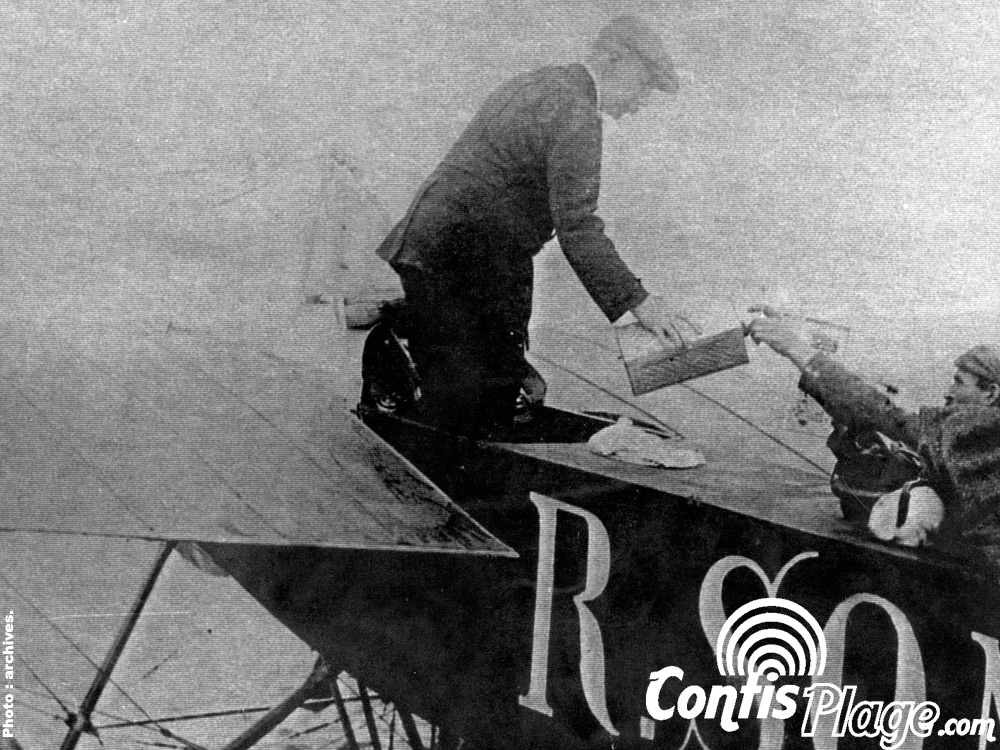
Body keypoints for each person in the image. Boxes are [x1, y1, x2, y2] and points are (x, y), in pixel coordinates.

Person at [369, 15, 701, 434]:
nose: (638, 104)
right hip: (465, 262)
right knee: (474, 417)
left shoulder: (539, 83)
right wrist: (640, 302)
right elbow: (577, 227)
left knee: (487, 385)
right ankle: (412, 368)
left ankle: (416, 341)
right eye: (643, 86)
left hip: (428, 247)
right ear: (616, 62)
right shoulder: (578, 113)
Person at [748, 307, 1000, 564]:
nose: (949, 392)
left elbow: (888, 417)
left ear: (991, 393)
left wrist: (793, 347)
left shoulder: (988, 431)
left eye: (959, 382)